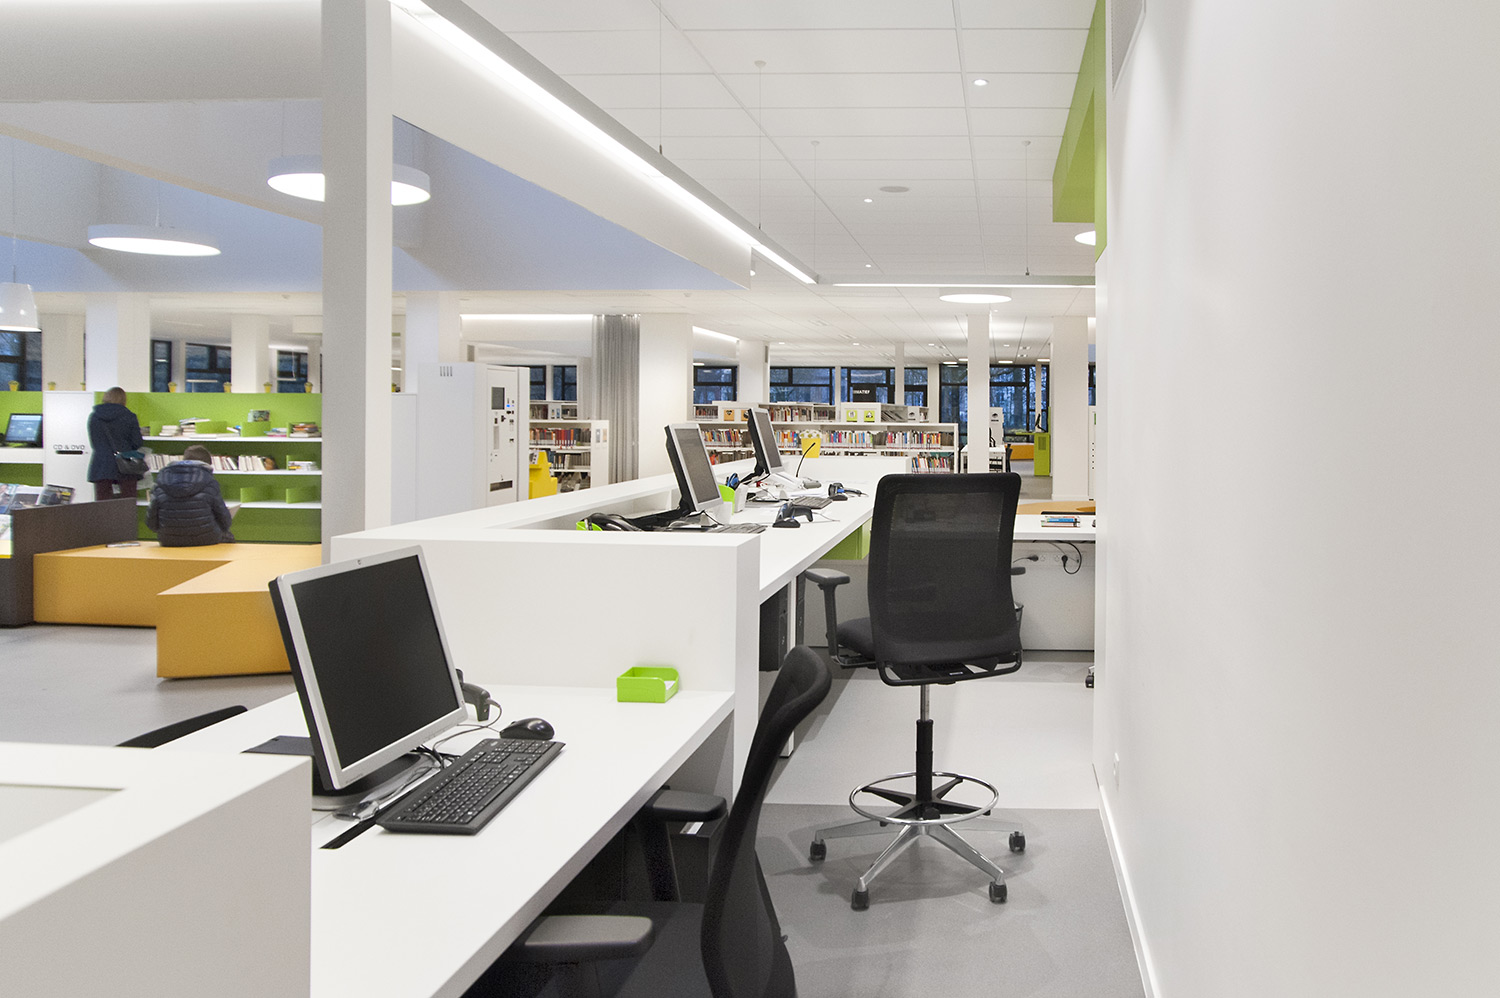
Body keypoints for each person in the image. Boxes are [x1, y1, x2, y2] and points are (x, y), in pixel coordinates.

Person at [146, 444, 235, 547]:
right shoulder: (210, 482)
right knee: (228, 537)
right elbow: (224, 520)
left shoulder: (160, 481)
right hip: (206, 538)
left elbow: (151, 520)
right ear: (206, 464)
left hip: (169, 540)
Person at [86, 386, 145, 502]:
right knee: (127, 502)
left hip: (101, 463)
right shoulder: (129, 416)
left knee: (102, 502)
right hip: (125, 463)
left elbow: (94, 441)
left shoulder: (94, 417)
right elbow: (137, 442)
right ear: (123, 399)